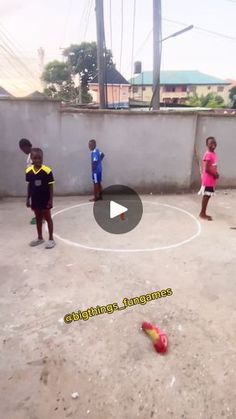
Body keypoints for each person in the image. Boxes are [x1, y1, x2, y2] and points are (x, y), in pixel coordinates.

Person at [26, 148, 56, 249]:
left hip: (45, 199)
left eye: (40, 158)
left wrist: (50, 200)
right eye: (35, 158)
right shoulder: (29, 171)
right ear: (31, 159)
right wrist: (28, 198)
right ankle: (40, 238)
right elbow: (29, 186)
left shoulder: (47, 171)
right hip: (35, 200)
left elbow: (51, 186)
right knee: (38, 218)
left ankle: (51, 239)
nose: (38, 160)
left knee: (47, 218)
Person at [198, 136, 219, 221]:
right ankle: (202, 213)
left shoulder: (213, 154)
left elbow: (212, 166)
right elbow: (207, 168)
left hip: (211, 179)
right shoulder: (208, 154)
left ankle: (203, 212)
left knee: (208, 196)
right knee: (206, 196)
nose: (213, 144)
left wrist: (216, 174)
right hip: (208, 179)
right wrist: (215, 174)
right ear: (207, 145)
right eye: (211, 143)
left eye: (214, 142)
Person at [19, 138, 38, 225]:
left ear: (27, 146)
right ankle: (38, 216)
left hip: (36, 181)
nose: (23, 151)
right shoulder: (29, 157)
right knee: (33, 201)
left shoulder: (33, 155)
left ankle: (40, 217)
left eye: (23, 149)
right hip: (31, 180)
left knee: (36, 200)